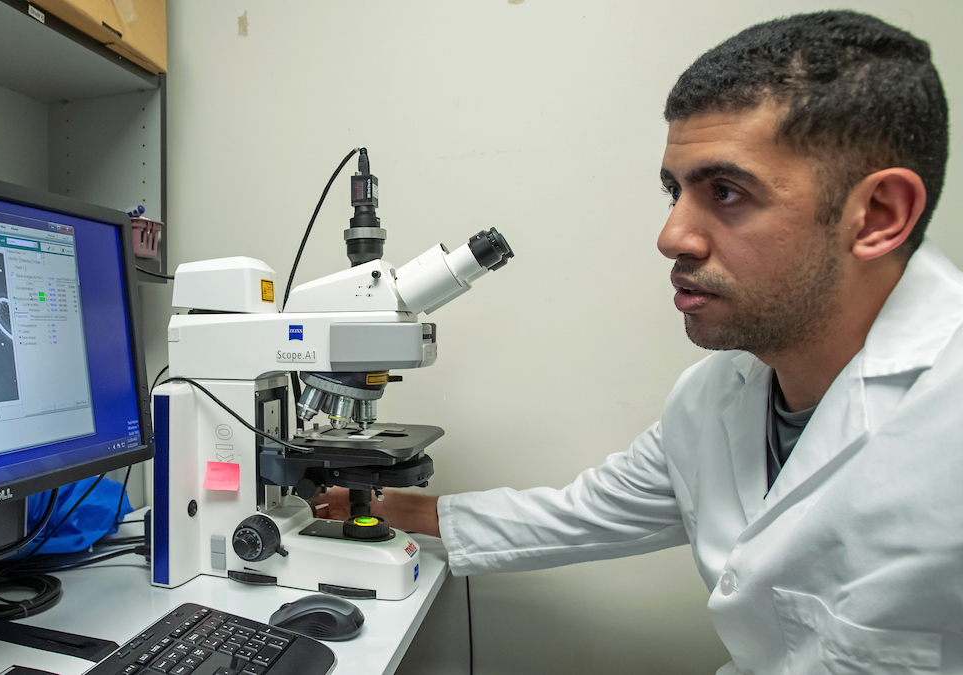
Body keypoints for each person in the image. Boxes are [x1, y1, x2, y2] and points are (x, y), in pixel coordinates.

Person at [317, 10, 958, 673]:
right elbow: (584, 513)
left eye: (727, 192)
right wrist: (397, 507)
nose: (671, 235)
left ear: (878, 215)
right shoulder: (716, 397)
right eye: (674, 191)